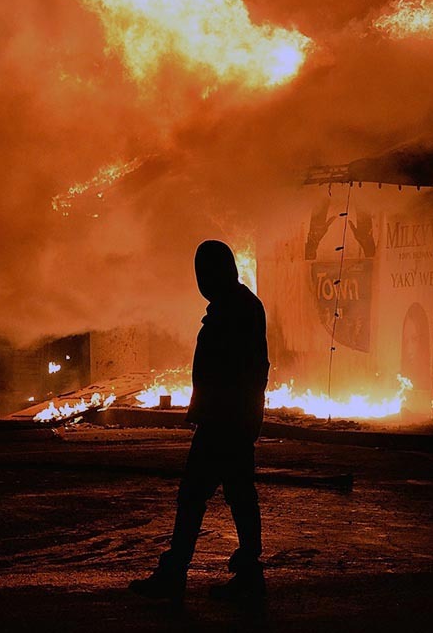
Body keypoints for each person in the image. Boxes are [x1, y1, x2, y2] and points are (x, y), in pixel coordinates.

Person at [129, 239, 270, 604]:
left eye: (204, 272)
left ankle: (175, 574)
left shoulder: (234, 311)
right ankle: (248, 574)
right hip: (231, 419)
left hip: (223, 422)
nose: (200, 281)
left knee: (194, 496)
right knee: (239, 495)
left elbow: (235, 371)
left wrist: (219, 414)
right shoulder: (239, 306)